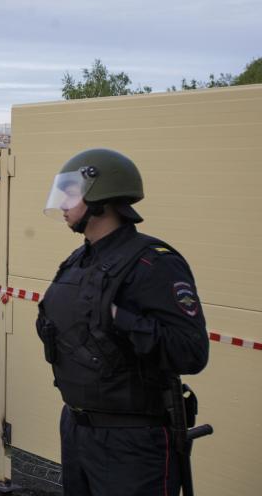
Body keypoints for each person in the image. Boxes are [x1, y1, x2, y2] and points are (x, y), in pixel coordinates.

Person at [36, 148, 210, 496]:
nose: (63, 203)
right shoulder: (79, 260)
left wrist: (121, 319)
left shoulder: (152, 263)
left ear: (101, 198)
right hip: (78, 428)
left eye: (71, 193)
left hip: (132, 442)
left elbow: (191, 352)